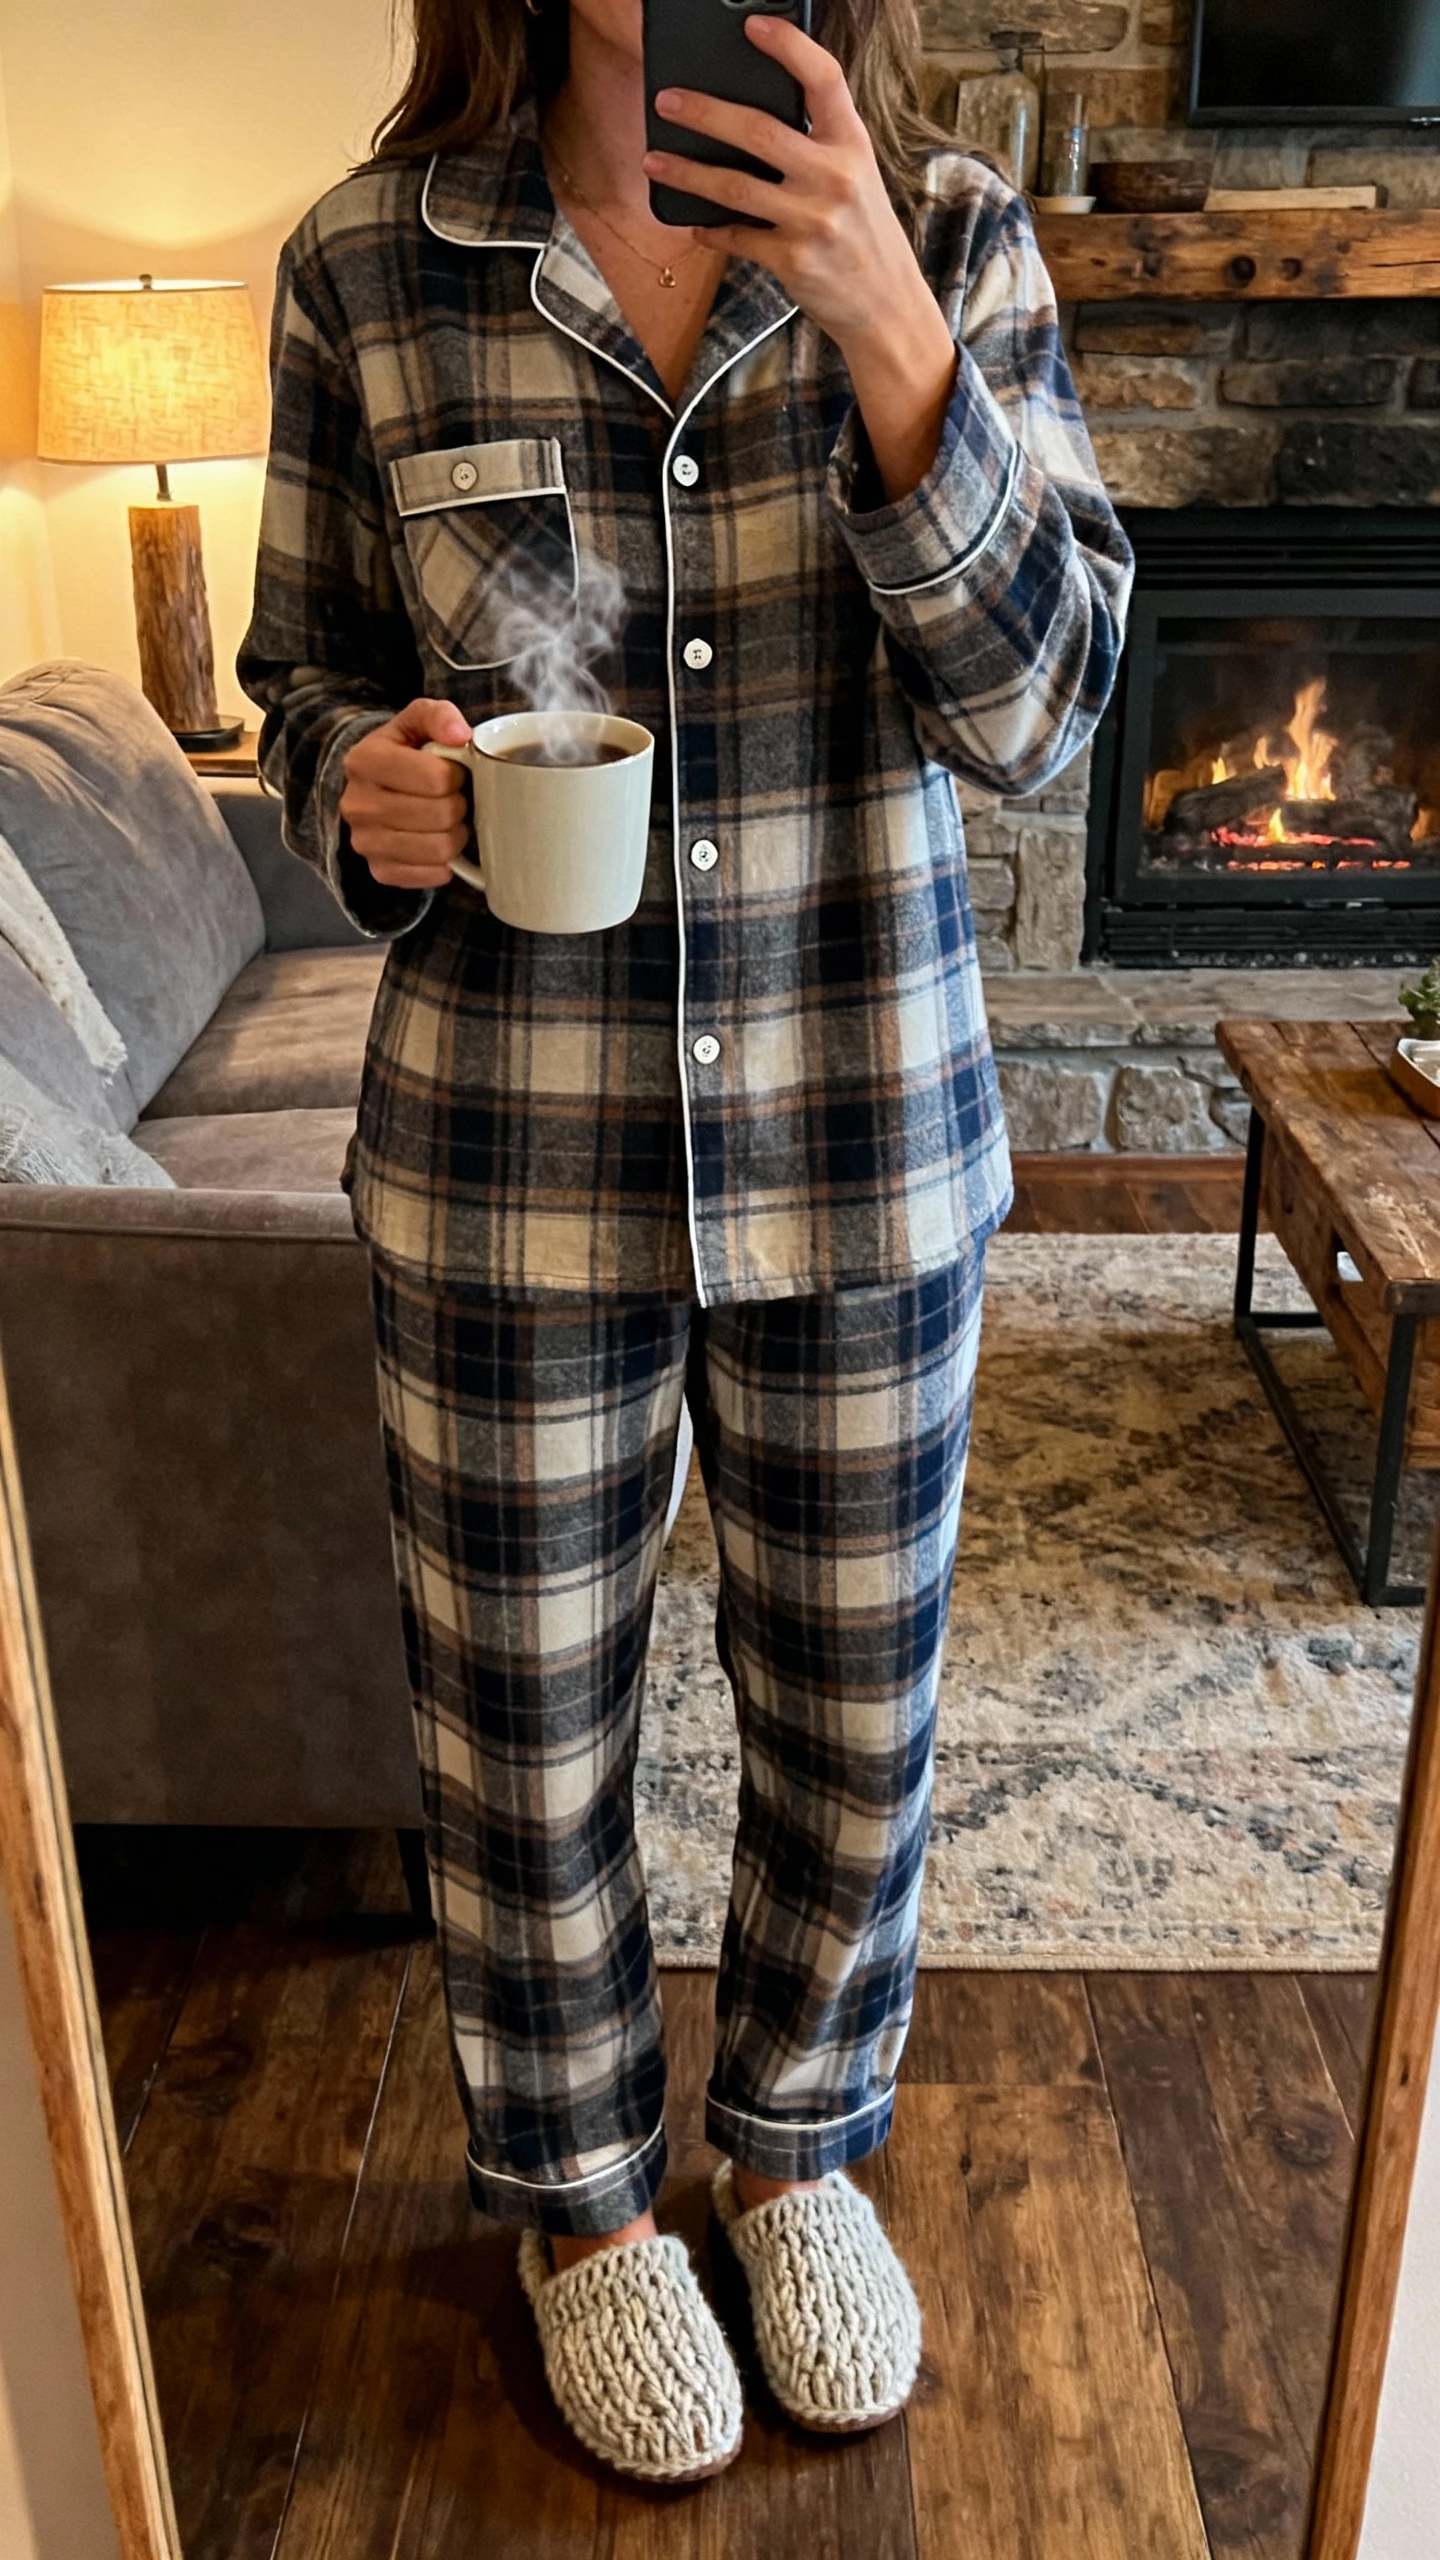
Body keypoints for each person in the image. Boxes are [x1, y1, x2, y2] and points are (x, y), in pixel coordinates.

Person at [239, 0, 1131, 2488]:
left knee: (858, 1713)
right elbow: (300, 675)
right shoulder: (365, 269)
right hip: (508, 1161)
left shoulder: (945, 236)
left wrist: (881, 323)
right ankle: (586, 2207)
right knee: (523, 1737)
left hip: (863, 1127)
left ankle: (799, 2145)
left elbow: (1048, 712)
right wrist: (367, 788)